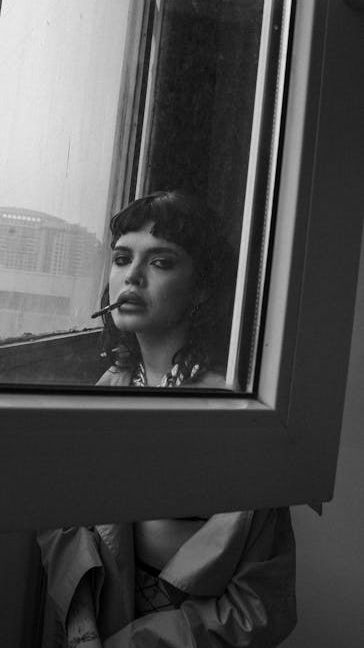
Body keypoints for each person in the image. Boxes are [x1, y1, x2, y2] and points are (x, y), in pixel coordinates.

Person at [38, 191, 297, 647]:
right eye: (121, 258)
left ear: (201, 289)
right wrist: (82, 630)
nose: (131, 276)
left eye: (160, 262)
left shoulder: (234, 413)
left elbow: (260, 603)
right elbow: (62, 518)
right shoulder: (111, 387)